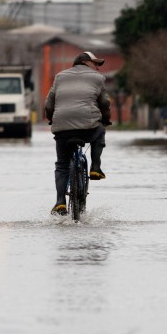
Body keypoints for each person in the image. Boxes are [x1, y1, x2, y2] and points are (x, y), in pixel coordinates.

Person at [43, 51, 112, 215]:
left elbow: (48, 103)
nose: (97, 68)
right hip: (88, 127)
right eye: (96, 64)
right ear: (85, 62)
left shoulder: (59, 76)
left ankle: (60, 201)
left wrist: (52, 119)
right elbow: (105, 103)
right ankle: (95, 167)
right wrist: (106, 120)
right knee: (100, 131)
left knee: (62, 164)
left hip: (62, 127)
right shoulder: (98, 78)